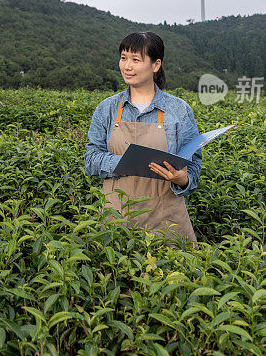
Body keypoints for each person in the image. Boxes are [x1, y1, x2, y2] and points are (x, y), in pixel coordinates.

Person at [84, 32, 201, 242]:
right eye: (123, 58)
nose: (127, 66)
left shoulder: (179, 110)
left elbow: (193, 165)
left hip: (166, 218)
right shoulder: (107, 109)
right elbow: (91, 160)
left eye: (135, 60)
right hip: (116, 217)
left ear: (155, 65)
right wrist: (125, 162)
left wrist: (183, 180)